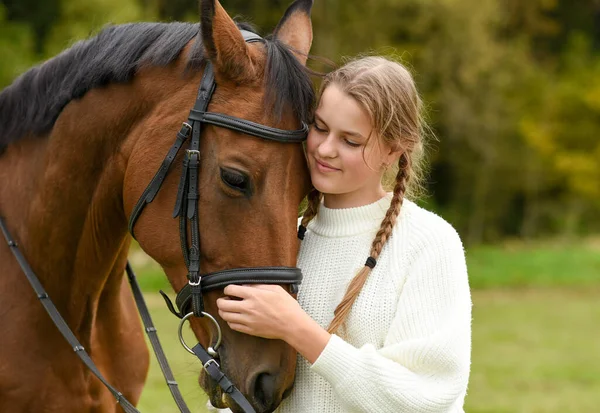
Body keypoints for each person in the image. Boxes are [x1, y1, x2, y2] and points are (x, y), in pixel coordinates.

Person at [215, 56, 472, 412]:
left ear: (393, 150)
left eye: (350, 141)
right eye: (320, 127)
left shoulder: (428, 242)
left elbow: (424, 398)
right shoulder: (282, 238)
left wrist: (296, 329)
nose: (324, 149)